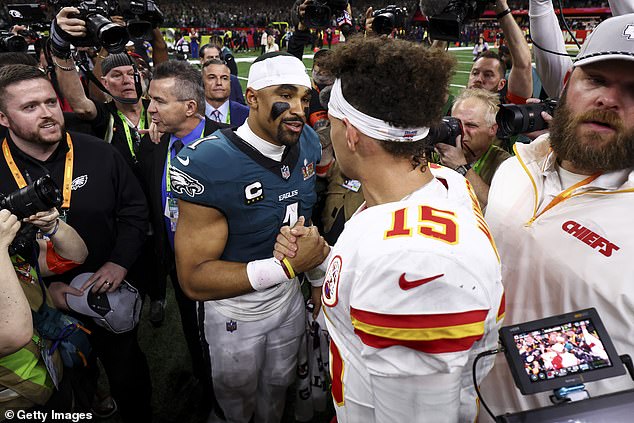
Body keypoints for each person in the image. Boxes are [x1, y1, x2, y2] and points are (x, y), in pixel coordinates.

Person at [275, 36, 504, 423]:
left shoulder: (413, 264)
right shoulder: (441, 180)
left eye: (330, 123)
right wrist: (323, 261)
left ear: (351, 134)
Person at [479, 13, 634, 419]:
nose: (608, 100)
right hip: (467, 405)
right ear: (567, 85)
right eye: (596, 80)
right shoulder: (517, 167)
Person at [171, 52, 328, 423]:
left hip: (289, 299)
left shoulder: (306, 140)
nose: (298, 109)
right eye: (285, 95)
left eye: (304, 98)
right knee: (234, 404)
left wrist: (316, 279)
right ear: (253, 98)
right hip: (234, 309)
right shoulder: (209, 162)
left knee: (278, 388)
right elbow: (194, 279)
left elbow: (305, 221)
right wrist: (287, 266)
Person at [0, 64, 151, 423]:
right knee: (67, 385)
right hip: (37, 305)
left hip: (104, 288)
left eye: (50, 101)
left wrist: (120, 262)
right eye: (30, 106)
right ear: (3, 118)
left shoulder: (98, 151)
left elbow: (134, 211)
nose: (47, 113)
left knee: (127, 371)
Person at [138, 60, 228, 416]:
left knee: (225, 339)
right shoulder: (153, 145)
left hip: (223, 266)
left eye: (159, 101)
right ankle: (204, 383)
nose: (150, 109)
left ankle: (226, 394)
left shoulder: (230, 143)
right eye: (150, 100)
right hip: (177, 264)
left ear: (190, 107)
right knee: (193, 330)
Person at [0, 206, 88, 414]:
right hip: (16, 402)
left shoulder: (9, 254)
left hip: (54, 375)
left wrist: (54, 227)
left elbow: (75, 256)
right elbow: (15, 334)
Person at [435, 88, 511, 207]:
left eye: (471, 125)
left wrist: (460, 167)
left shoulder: (505, 165)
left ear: (493, 129)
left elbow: (496, 212)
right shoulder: (437, 151)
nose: (461, 131)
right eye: (456, 123)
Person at [202, 59, 249, 126]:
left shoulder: (247, 115)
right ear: (202, 81)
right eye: (212, 77)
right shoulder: (192, 114)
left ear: (230, 82)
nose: (219, 83)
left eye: (224, 78)